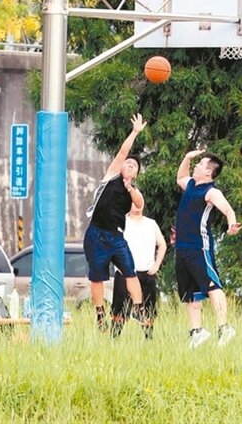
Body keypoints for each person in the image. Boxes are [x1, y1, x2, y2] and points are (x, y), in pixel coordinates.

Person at [84, 112, 147, 333]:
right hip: (95, 233)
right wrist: (135, 132)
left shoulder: (133, 191)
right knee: (97, 277)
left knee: (130, 272)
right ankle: (100, 314)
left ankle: (139, 309)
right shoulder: (111, 176)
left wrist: (131, 188)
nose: (130, 166)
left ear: (136, 175)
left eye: (134, 167)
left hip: (116, 237)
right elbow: (123, 152)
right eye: (128, 164)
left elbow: (139, 205)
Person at [174, 147, 240, 347]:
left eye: (200, 164)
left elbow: (228, 209)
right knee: (190, 293)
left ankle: (224, 327)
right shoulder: (192, 184)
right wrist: (187, 157)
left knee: (212, 285)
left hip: (199, 247)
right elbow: (180, 177)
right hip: (182, 247)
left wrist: (232, 225)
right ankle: (197, 331)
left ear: (208, 172)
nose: (196, 165)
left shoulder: (211, 191)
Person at [111, 193, 167, 338]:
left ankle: (148, 340)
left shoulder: (151, 223)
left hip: (146, 273)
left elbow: (162, 245)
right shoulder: (120, 222)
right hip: (126, 273)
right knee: (119, 310)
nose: (137, 204)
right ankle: (113, 340)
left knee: (148, 311)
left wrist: (156, 265)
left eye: (139, 201)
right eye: (133, 201)